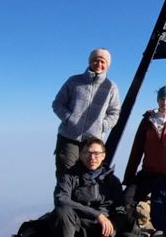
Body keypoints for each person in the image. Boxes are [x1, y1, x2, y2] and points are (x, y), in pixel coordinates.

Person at [52, 48, 121, 176]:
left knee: (87, 177)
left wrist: (103, 126)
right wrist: (69, 119)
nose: (99, 64)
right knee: (65, 174)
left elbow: (114, 112)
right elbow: (58, 103)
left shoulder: (111, 87)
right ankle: (64, 197)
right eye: (95, 60)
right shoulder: (74, 81)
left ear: (107, 65)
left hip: (93, 141)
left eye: (102, 61)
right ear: (90, 62)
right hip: (69, 137)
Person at [123, 86, 166, 208]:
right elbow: (136, 149)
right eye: (162, 99)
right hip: (148, 173)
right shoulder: (148, 120)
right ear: (158, 100)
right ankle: (131, 226)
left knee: (164, 207)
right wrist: (129, 176)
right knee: (127, 199)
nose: (165, 103)